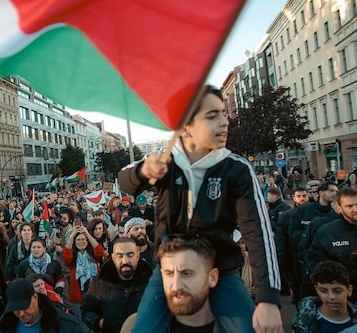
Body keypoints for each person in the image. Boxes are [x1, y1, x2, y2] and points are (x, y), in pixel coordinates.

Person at [118, 85, 282, 332]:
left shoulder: (235, 168)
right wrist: (143, 171)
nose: (224, 122)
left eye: (223, 113)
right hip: (170, 270)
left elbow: (258, 233)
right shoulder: (165, 161)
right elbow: (125, 180)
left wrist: (268, 298)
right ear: (185, 127)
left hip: (222, 271)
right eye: (212, 115)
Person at [307, 188, 357, 304]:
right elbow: (315, 265)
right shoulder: (327, 233)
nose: (356, 209)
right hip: (346, 302)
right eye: (350, 206)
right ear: (339, 208)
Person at [81, 237, 152, 333]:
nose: (125, 261)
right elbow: (87, 311)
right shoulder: (99, 282)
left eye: (130, 255)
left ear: (137, 256)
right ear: (113, 257)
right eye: (120, 256)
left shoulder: (151, 283)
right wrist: (103, 323)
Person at [158, 234, 223, 332]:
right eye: (169, 274)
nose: (176, 286)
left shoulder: (248, 326)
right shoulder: (134, 326)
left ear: (212, 278)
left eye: (187, 274)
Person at [292, 260, 357, 332]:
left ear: (349, 290)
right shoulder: (304, 322)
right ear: (316, 289)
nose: (331, 297)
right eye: (324, 291)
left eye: (337, 291)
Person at [0, 278, 84, 333]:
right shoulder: (5, 328)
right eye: (16, 309)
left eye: (24, 307)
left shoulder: (67, 325)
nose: (21, 314)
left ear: (35, 297)